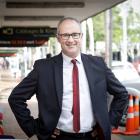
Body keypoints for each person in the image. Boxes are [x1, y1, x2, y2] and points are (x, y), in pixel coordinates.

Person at [8, 17, 128, 140]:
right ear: (58, 38)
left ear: (81, 36)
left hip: (93, 137)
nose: (70, 40)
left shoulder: (98, 64)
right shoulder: (43, 68)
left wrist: (109, 123)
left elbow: (122, 94)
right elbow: (16, 98)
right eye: (65, 35)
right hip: (57, 137)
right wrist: (33, 128)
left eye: (75, 35)